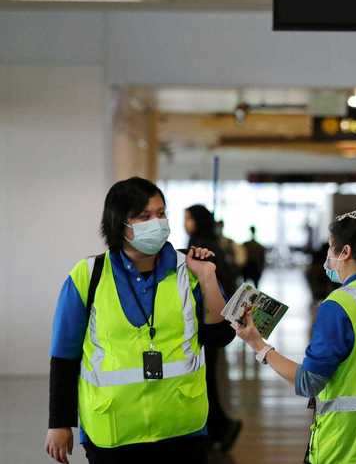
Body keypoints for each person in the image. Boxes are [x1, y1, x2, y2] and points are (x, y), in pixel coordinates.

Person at [45, 177, 234, 464]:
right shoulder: (88, 276)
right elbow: (64, 355)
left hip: (182, 429)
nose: (156, 223)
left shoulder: (190, 271)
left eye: (161, 214)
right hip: (113, 431)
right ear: (119, 223)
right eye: (144, 216)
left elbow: (221, 337)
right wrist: (59, 422)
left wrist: (208, 276)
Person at [234, 210, 356, 464]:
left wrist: (259, 345)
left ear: (346, 252)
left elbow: (308, 382)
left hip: (343, 447)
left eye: (332, 247)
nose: (328, 256)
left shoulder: (339, 305)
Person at [185, 205, 243, 453]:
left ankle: (216, 429)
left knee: (203, 380)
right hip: (213, 321)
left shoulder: (201, 248)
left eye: (187, 219)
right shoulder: (213, 244)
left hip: (206, 322)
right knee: (206, 379)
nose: (185, 223)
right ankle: (218, 428)